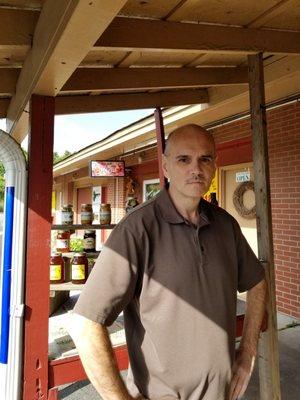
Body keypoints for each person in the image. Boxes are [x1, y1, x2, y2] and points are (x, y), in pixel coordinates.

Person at [69, 124, 266, 400]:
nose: (195, 169)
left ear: (214, 165)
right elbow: (86, 325)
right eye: (184, 159)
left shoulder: (226, 225)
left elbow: (257, 283)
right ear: (164, 166)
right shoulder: (137, 229)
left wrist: (247, 353)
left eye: (205, 159)